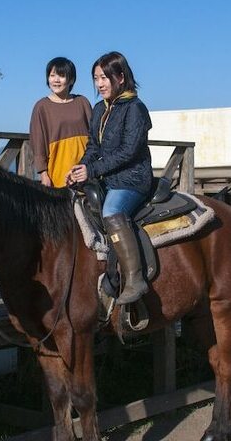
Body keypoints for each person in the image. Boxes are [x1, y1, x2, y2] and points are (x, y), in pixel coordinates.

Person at [66, 51, 152, 305]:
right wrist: (80, 168)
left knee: (112, 211)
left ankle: (135, 279)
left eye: (105, 77)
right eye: (96, 78)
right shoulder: (98, 109)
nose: (100, 83)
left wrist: (92, 171)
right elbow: (93, 146)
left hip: (132, 178)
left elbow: (130, 151)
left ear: (121, 77)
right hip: (106, 176)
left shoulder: (135, 108)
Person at [29, 57, 92, 187]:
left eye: (62, 76)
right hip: (58, 173)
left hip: (85, 171)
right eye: (52, 75)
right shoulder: (42, 107)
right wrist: (43, 174)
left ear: (71, 79)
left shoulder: (82, 102)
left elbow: (95, 137)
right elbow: (38, 143)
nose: (56, 80)